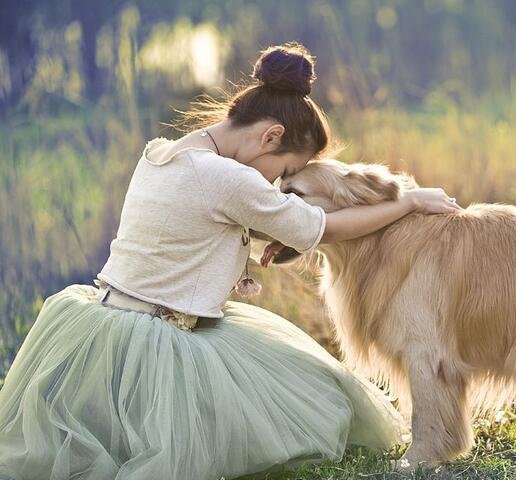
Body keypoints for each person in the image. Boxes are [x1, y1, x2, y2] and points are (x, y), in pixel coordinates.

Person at [0, 42, 461, 480]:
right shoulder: (229, 180)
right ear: (270, 135)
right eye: (282, 173)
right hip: (162, 341)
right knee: (324, 405)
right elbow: (323, 228)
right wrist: (407, 202)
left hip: (104, 320)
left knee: (310, 389)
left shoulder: (168, 152)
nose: (277, 186)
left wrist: (260, 241)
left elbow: (195, 228)